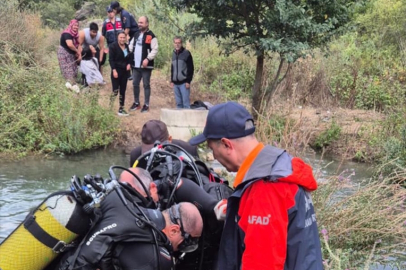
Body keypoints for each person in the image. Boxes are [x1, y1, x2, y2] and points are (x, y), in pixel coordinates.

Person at [189, 101, 324, 270]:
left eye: (211, 148)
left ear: (226, 144)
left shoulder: (265, 189)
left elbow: (261, 264)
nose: (214, 156)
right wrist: (237, 210)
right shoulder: (279, 164)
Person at [59, 201, 203, 270]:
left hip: (66, 259)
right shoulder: (158, 258)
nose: (182, 248)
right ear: (174, 230)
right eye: (187, 242)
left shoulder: (131, 208)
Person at [129, 119, 198, 167]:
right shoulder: (136, 156)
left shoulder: (188, 150)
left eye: (157, 150)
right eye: (148, 151)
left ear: (169, 139)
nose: (152, 155)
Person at [128, 16, 158, 113]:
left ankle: (146, 104)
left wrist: (148, 59)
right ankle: (137, 103)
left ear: (147, 24)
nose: (139, 24)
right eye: (138, 22)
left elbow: (155, 49)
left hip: (146, 66)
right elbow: (130, 47)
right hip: (135, 66)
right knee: (135, 84)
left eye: (141, 22)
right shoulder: (136, 34)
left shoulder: (151, 36)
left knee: (146, 85)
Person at [109, 32, 131, 116]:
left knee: (123, 90)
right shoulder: (113, 46)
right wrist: (114, 70)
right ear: (118, 38)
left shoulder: (126, 47)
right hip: (116, 71)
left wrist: (129, 64)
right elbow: (111, 60)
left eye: (123, 37)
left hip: (124, 72)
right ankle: (110, 108)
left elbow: (129, 57)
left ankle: (121, 109)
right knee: (115, 90)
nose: (122, 39)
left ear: (125, 38)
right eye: (120, 37)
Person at [57, 19, 81, 93]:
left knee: (74, 69)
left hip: (71, 53)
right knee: (67, 69)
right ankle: (72, 87)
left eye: (77, 26)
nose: (76, 27)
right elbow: (70, 44)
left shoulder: (75, 35)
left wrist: (79, 53)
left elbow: (79, 44)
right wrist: (77, 51)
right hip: (64, 53)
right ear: (71, 25)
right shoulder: (67, 34)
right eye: (74, 25)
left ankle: (71, 86)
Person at [170, 36, 194, 109]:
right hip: (175, 84)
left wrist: (188, 81)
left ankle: (187, 120)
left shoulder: (186, 53)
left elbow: (191, 68)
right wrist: (172, 80)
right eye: (175, 43)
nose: (177, 44)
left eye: (179, 43)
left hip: (184, 83)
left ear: (181, 43)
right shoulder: (173, 53)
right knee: (178, 104)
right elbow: (172, 68)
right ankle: (179, 120)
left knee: (186, 104)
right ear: (174, 43)